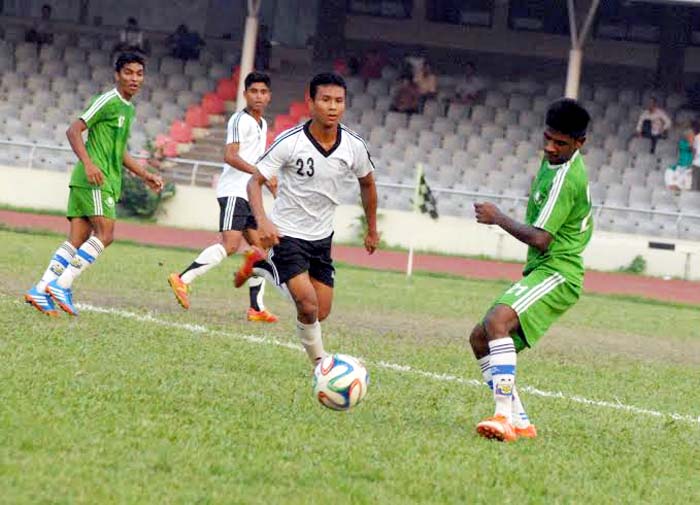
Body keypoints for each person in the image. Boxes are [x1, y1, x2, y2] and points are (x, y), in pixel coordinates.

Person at [234, 72, 379, 366]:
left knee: (320, 311)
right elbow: (255, 182)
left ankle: (261, 266)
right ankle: (321, 366)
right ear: (310, 102)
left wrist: (372, 229)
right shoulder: (291, 142)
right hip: (286, 234)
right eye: (325, 100)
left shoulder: (353, 146)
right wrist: (262, 220)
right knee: (308, 305)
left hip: (322, 238)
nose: (332, 107)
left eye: (339, 101)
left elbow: (368, 183)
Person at [469, 98, 592, 442]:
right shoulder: (554, 159)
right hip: (545, 269)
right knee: (481, 339)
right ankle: (520, 421)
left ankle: (502, 417)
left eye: (561, 143)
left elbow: (541, 238)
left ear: (580, 143)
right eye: (547, 139)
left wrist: (498, 218)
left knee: (496, 321)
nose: (550, 148)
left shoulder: (567, 178)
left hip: (559, 271)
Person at [24, 53, 164, 316]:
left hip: (93, 180)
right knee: (105, 235)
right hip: (95, 179)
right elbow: (73, 130)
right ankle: (62, 284)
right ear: (117, 75)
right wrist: (89, 164)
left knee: (76, 240)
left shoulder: (128, 108)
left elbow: (119, 151)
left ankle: (41, 290)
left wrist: (145, 175)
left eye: (139, 73)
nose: (134, 78)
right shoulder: (108, 101)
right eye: (128, 73)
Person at [168, 72, 279, 323]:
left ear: (269, 96)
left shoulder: (261, 124)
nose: (259, 96)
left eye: (263, 92)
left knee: (262, 248)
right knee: (230, 244)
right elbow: (230, 156)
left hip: (250, 195)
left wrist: (268, 180)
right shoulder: (239, 120)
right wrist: (259, 173)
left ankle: (256, 308)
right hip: (233, 191)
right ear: (245, 94)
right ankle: (182, 279)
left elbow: (256, 160)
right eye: (254, 91)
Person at [665, 123, 696, 192]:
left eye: (693, 136)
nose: (693, 137)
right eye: (691, 136)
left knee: (688, 183)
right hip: (682, 166)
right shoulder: (682, 143)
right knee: (672, 174)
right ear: (687, 137)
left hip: (690, 167)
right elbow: (692, 148)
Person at [692, 121, 700, 192]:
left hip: (696, 163)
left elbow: (694, 151)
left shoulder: (697, 137)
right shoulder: (697, 137)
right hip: (697, 163)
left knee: (695, 183)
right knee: (695, 183)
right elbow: (694, 151)